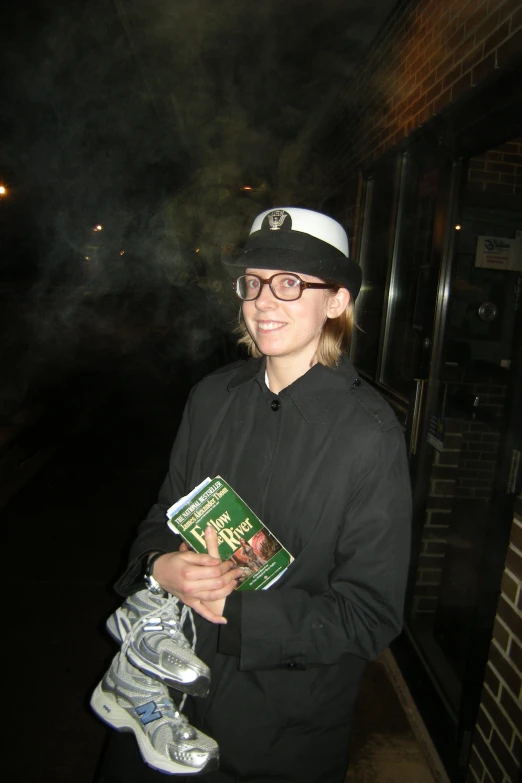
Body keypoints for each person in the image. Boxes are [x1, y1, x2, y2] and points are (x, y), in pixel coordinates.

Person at [96, 207, 412, 783]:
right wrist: (159, 566)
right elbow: (160, 518)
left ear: (337, 301)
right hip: (162, 708)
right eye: (254, 282)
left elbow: (370, 614)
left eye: (290, 283)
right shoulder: (212, 397)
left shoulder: (371, 436)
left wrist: (236, 613)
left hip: (277, 734)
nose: (264, 300)